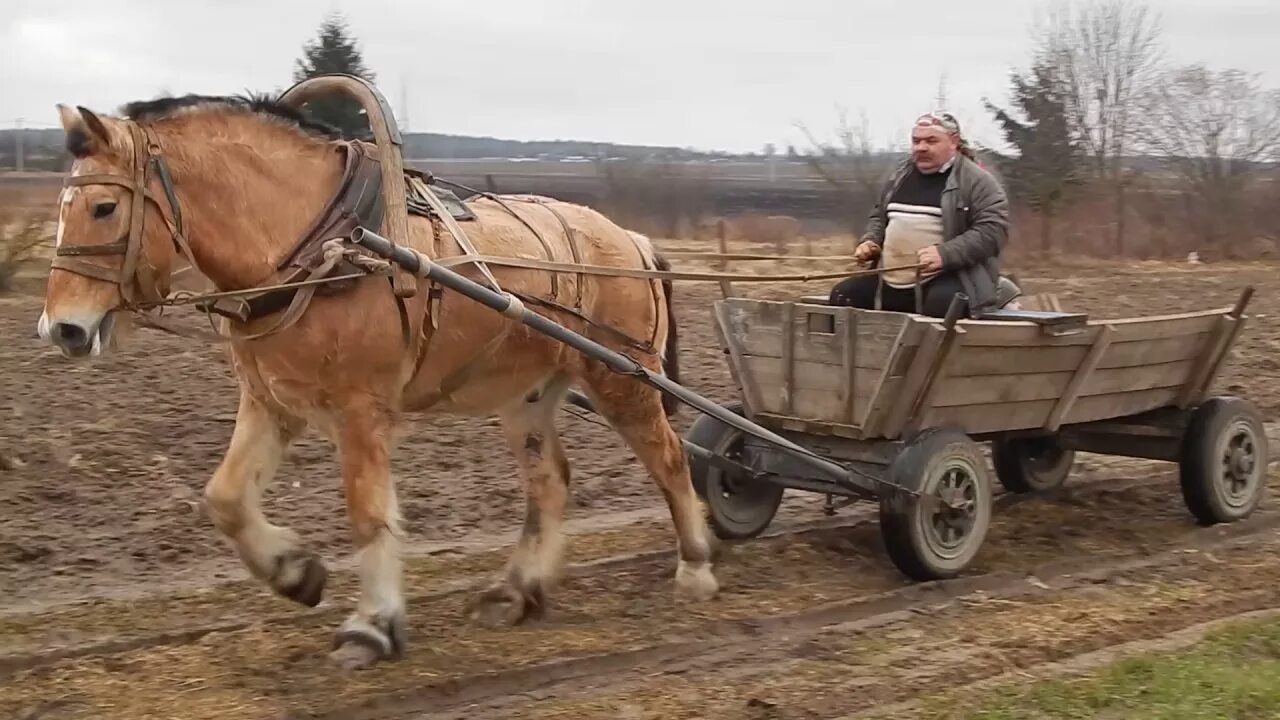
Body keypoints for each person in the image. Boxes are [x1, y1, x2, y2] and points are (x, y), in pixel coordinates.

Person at [828, 111, 1010, 318]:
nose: (921, 147)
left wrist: (945, 254)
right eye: (916, 141)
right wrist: (871, 241)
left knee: (942, 305)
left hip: (951, 279)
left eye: (931, 141)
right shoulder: (900, 175)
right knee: (844, 295)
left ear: (954, 141)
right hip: (891, 279)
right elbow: (880, 216)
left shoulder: (978, 182)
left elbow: (992, 232)